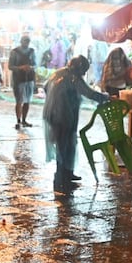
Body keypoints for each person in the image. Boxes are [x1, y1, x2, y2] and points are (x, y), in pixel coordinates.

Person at [42, 56, 108, 194]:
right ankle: (60, 180)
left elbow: (45, 86)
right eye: (83, 70)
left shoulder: (58, 73)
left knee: (68, 144)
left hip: (53, 114)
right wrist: (105, 98)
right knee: (63, 146)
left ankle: (67, 173)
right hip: (63, 115)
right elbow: (88, 92)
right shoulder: (73, 78)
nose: (83, 74)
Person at [9, 34, 37, 129]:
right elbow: (10, 66)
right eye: (25, 41)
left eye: (28, 41)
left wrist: (31, 67)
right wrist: (20, 68)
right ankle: (18, 120)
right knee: (19, 101)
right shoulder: (14, 52)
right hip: (18, 79)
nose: (26, 43)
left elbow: (35, 64)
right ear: (21, 41)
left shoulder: (32, 51)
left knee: (27, 101)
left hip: (29, 79)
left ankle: (24, 120)